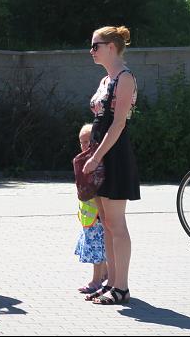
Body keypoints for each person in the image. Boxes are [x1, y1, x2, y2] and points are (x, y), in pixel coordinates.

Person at [83, 26, 139, 305]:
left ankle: (122, 287)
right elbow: (97, 122)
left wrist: (96, 157)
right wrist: (90, 152)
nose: (91, 51)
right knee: (105, 223)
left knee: (116, 224)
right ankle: (110, 283)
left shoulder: (124, 78)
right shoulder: (106, 80)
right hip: (100, 155)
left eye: (96, 45)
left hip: (114, 158)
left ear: (111, 47)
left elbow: (118, 125)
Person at [74, 123, 108, 295]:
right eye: (82, 142)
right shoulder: (83, 160)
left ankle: (96, 281)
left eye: (88, 141)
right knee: (100, 249)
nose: (85, 145)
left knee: (97, 251)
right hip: (88, 217)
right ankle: (105, 273)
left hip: (97, 217)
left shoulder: (97, 163)